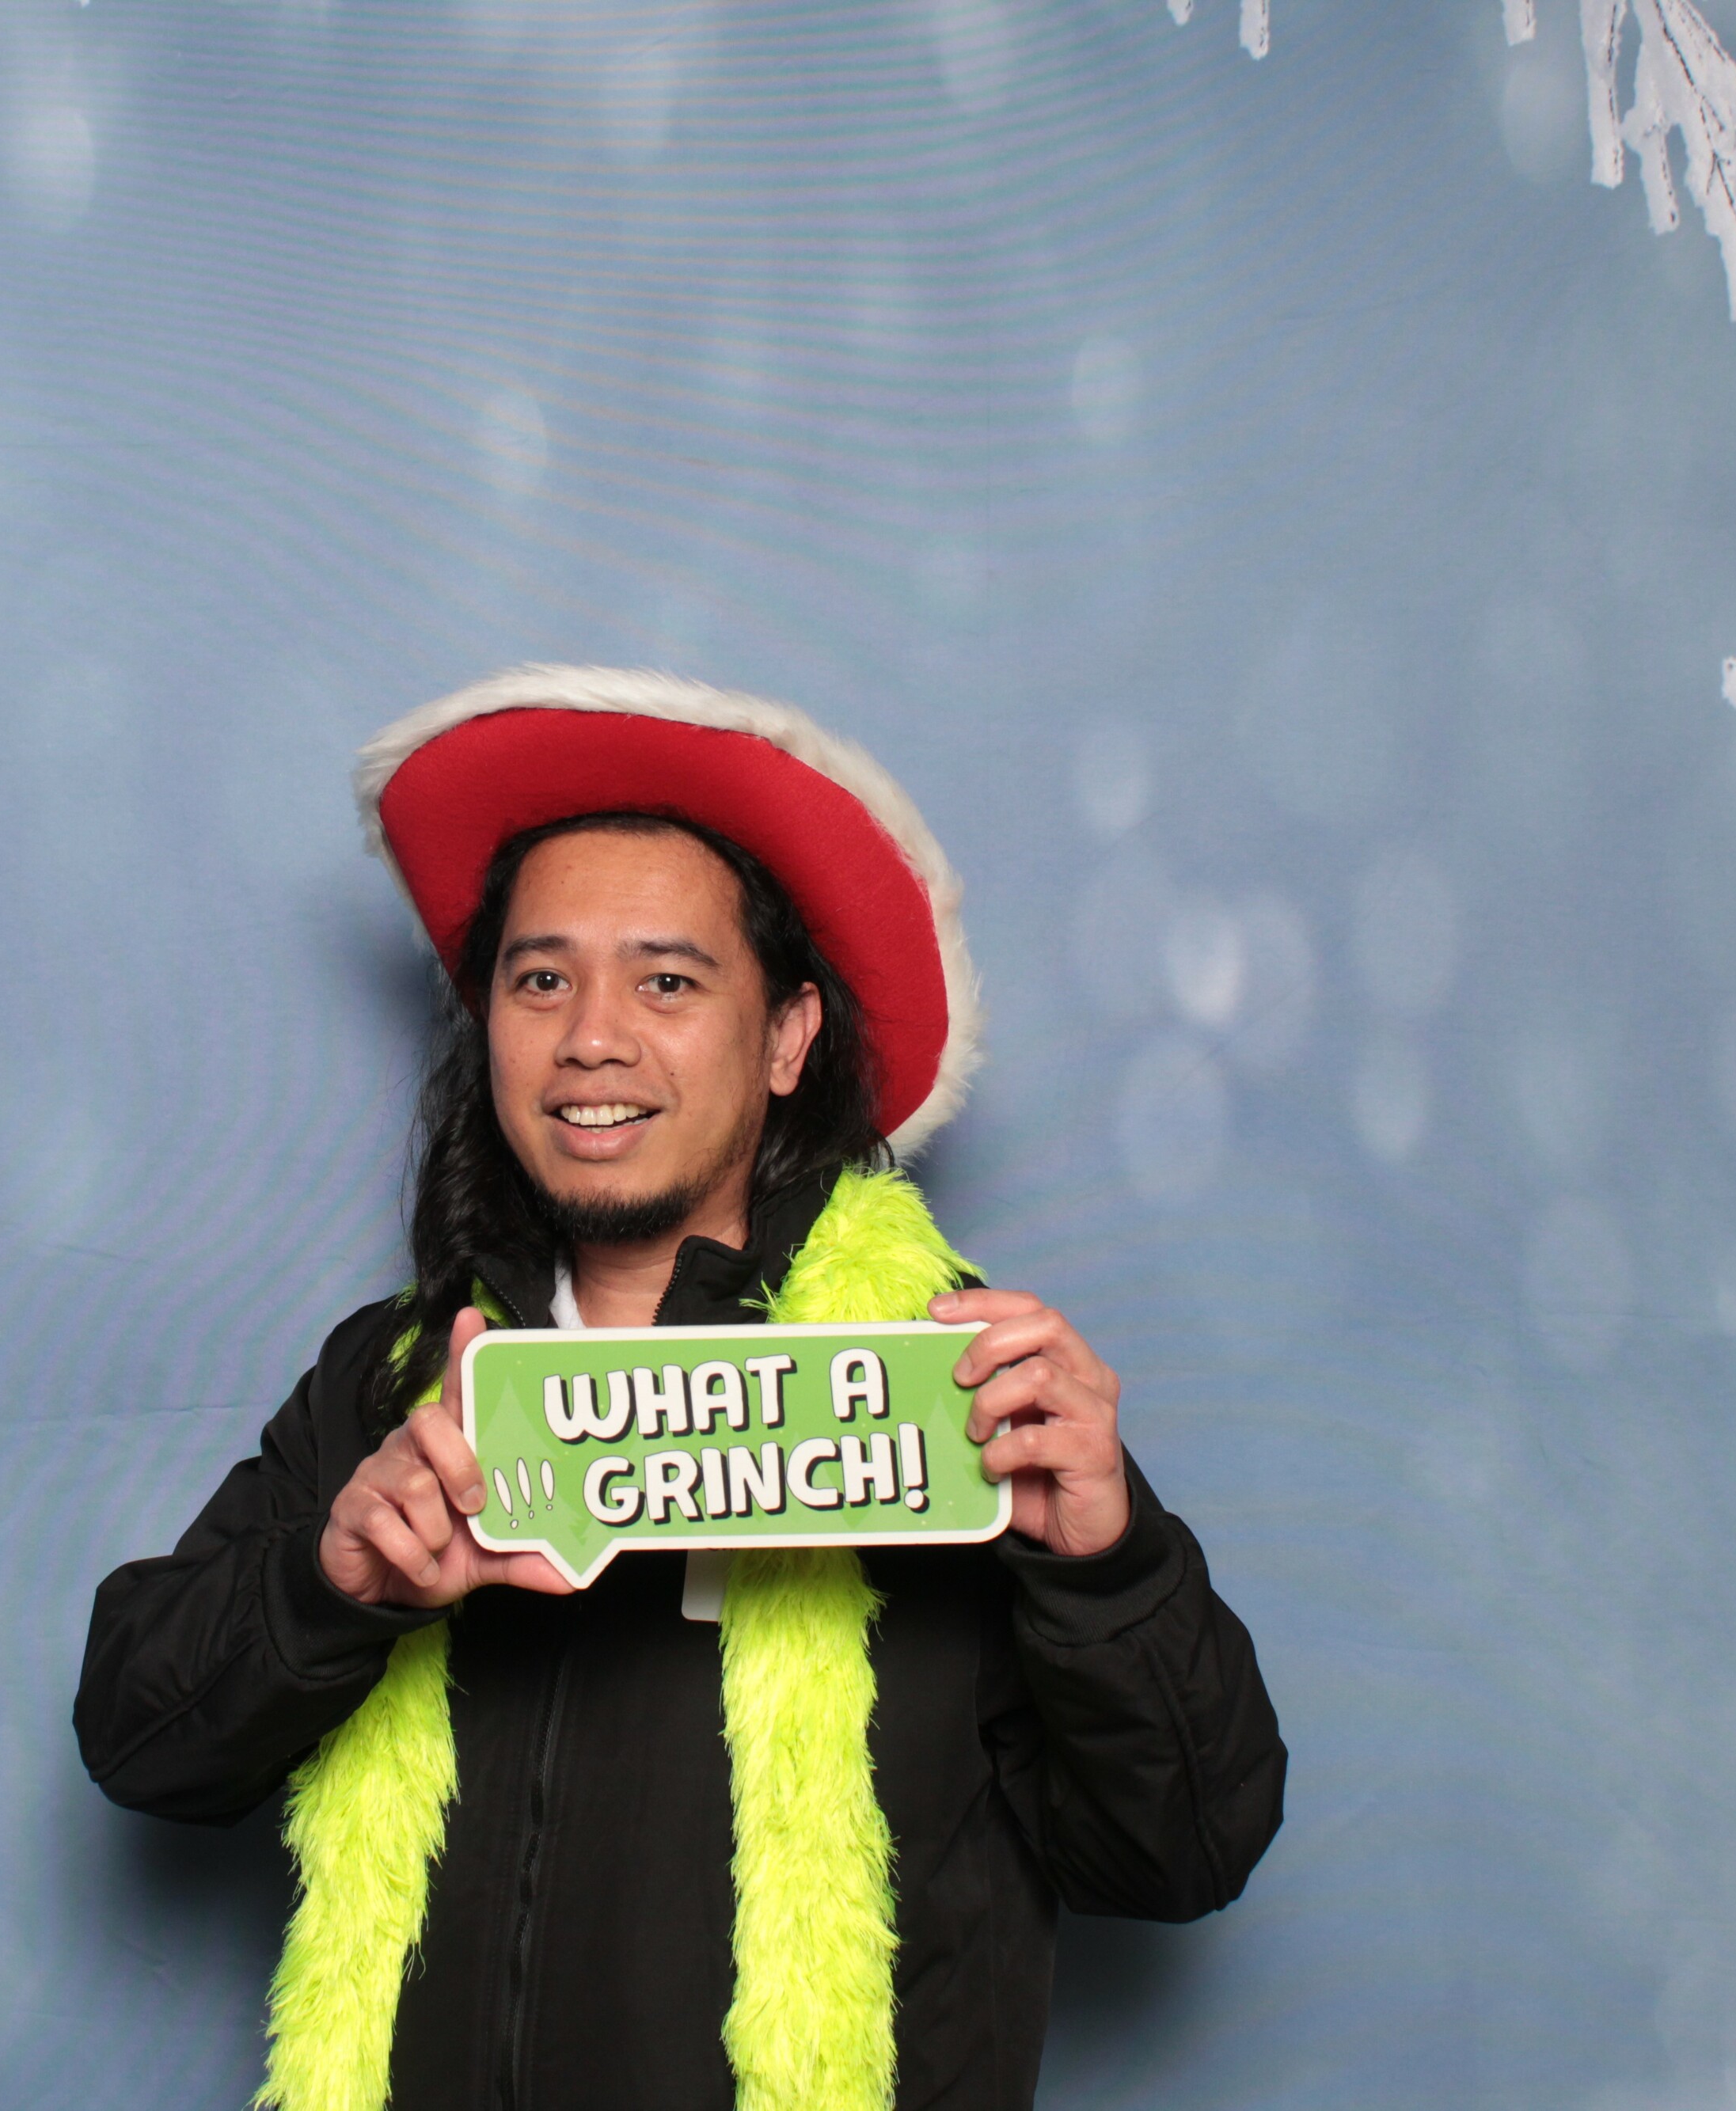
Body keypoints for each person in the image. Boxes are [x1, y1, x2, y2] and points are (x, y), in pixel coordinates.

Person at [74, 666, 1284, 2111]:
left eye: (667, 981)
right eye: (541, 979)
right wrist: (331, 1593)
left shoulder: (953, 1399)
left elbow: (1181, 1855)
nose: (592, 1037)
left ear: (787, 1039)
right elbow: (138, 1740)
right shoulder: (389, 1383)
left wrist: (1109, 1576)